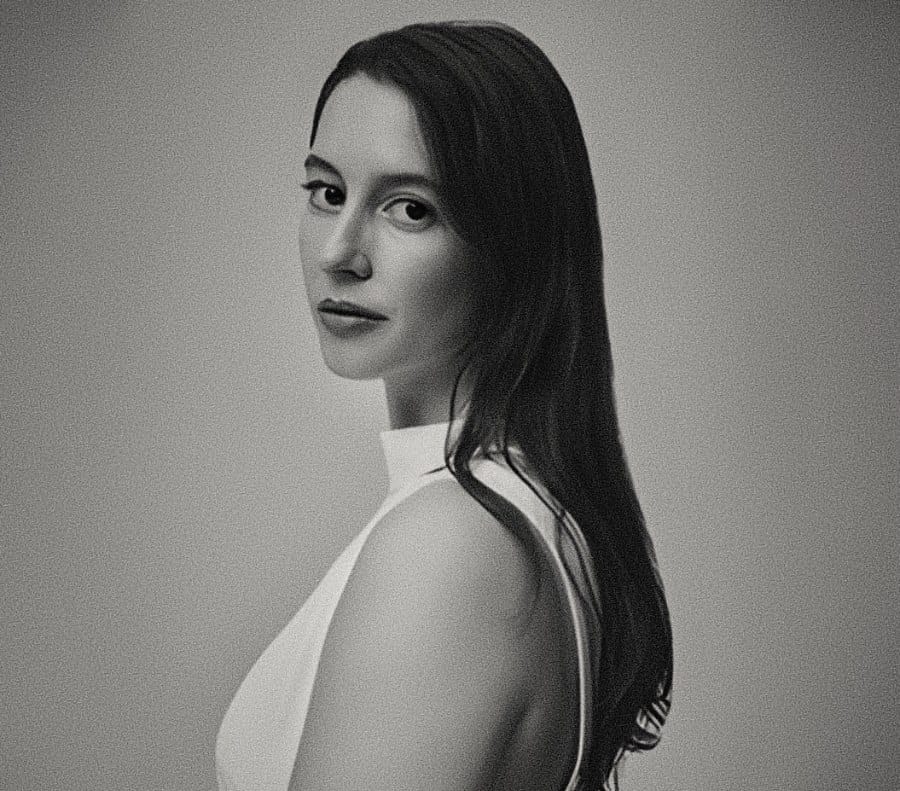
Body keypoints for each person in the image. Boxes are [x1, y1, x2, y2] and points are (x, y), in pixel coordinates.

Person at [216, 20, 672, 791]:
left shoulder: (453, 542)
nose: (339, 252)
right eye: (328, 193)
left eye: (410, 209)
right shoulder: (512, 514)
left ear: (512, 245)